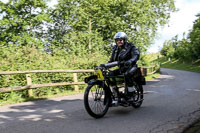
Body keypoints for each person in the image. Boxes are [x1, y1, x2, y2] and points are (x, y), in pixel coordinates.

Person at [103, 32, 140, 101]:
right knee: (110, 75)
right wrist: (106, 65)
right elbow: (112, 60)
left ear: (124, 40)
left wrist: (130, 61)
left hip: (131, 67)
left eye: (120, 40)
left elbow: (136, 55)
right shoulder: (115, 49)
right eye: (117, 40)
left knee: (127, 75)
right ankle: (116, 93)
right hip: (122, 68)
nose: (118, 41)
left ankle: (131, 94)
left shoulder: (130, 46)